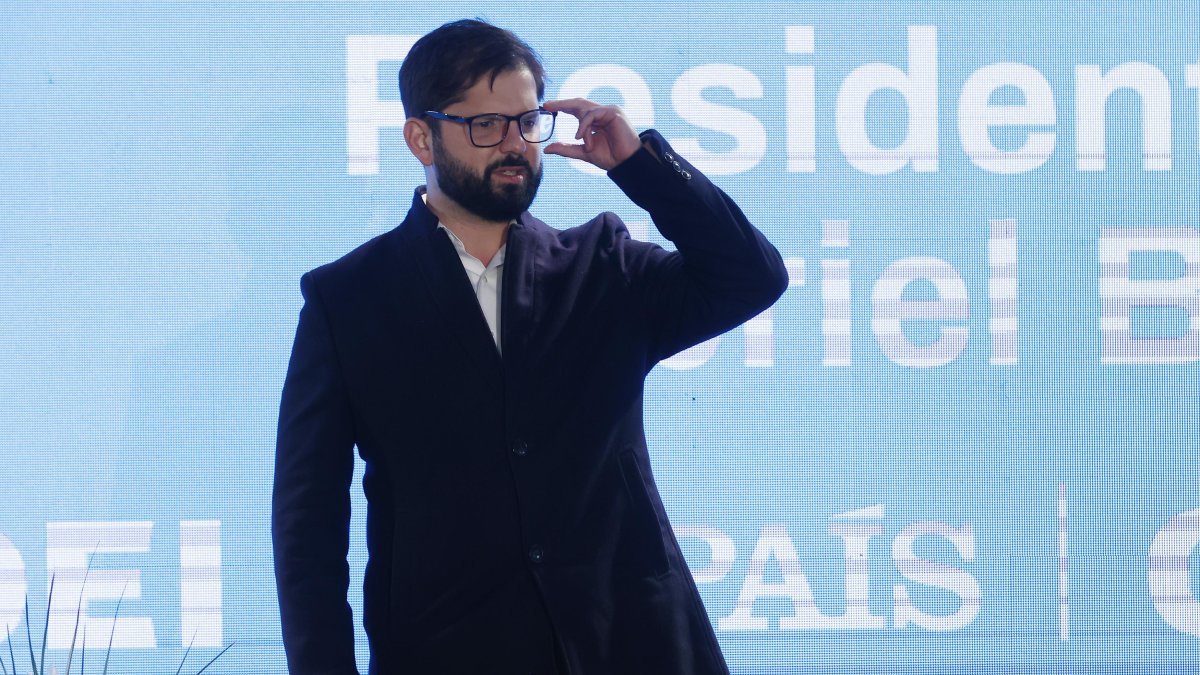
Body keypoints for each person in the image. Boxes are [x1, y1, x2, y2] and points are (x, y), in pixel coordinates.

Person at [272, 18, 787, 675]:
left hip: (635, 644)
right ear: (421, 137)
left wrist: (641, 167)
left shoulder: (602, 265)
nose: (514, 144)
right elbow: (308, 526)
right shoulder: (348, 299)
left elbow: (752, 277)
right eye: (485, 125)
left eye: (526, 121)